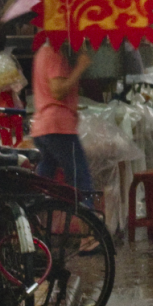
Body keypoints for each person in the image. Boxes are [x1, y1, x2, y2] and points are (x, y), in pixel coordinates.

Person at [31, 41, 95, 199]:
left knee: (44, 181)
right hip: (58, 127)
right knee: (81, 180)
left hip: (44, 127)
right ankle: (88, 220)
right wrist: (80, 67)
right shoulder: (54, 53)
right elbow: (57, 90)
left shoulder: (43, 52)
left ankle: (32, 215)